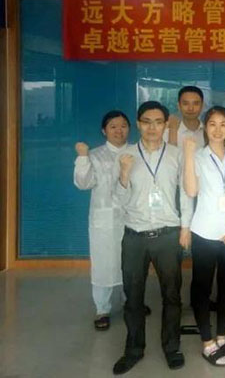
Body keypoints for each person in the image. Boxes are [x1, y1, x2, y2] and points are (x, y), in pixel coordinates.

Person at [112, 101, 193, 374]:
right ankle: (133, 349)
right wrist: (124, 174)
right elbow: (117, 200)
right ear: (138, 124)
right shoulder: (125, 155)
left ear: (166, 125)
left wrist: (186, 227)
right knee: (133, 296)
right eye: (147, 122)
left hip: (168, 234)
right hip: (134, 235)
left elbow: (187, 193)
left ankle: (172, 347)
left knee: (172, 294)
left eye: (158, 122)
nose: (152, 127)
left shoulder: (176, 155)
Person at [182, 106, 225, 367]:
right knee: (202, 286)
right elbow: (191, 191)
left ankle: (222, 336)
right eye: (212, 124)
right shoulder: (197, 156)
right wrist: (188, 155)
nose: (218, 130)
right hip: (205, 231)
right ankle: (207, 341)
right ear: (205, 128)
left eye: (223, 124)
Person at [73, 110, 131, 331]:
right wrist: (82, 157)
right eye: (113, 126)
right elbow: (83, 183)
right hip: (104, 221)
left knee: (131, 262)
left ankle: (131, 301)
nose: (119, 130)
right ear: (104, 130)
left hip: (132, 217)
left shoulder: (137, 152)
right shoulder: (95, 155)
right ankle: (102, 309)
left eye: (123, 126)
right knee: (104, 264)